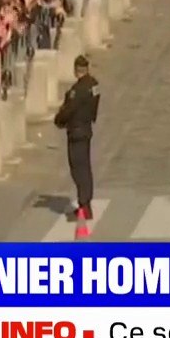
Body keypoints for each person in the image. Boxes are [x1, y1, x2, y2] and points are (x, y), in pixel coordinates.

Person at [53, 56, 100, 221]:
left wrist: (58, 120)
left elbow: (68, 110)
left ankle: (84, 205)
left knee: (78, 169)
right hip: (86, 128)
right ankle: (86, 203)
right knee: (85, 167)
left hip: (76, 131)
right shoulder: (94, 85)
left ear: (76, 70)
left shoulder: (77, 90)